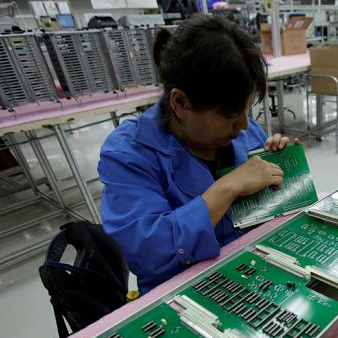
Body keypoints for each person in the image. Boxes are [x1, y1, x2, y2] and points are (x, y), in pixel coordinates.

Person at [98, 16, 292, 295]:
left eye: (246, 110)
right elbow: (149, 253)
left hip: (255, 271)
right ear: (180, 103)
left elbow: (273, 212)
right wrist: (226, 188)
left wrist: (280, 166)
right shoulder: (129, 153)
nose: (244, 126)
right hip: (182, 293)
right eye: (229, 115)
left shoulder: (245, 134)